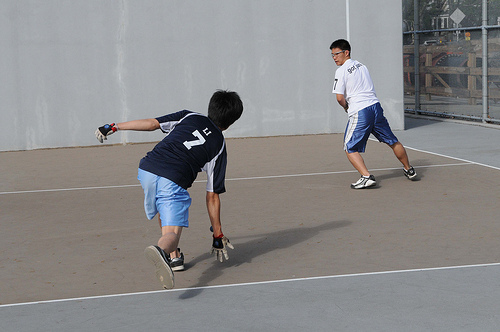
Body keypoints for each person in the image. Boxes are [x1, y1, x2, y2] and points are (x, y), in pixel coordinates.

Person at [95, 90, 243, 289]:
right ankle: (162, 251)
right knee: (171, 233)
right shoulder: (218, 145)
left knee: (163, 206)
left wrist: (114, 127)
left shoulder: (190, 116)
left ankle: (175, 258)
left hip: (147, 168)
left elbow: (152, 124)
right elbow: (212, 196)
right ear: (231, 122)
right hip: (172, 178)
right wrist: (217, 234)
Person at [330, 39, 417, 189]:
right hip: (375, 108)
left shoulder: (341, 70)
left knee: (349, 147)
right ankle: (409, 169)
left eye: (337, 54)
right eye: (332, 55)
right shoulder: (362, 66)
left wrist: (346, 107)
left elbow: (339, 98)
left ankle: (366, 177)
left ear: (346, 52)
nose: (334, 58)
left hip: (360, 111)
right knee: (392, 141)